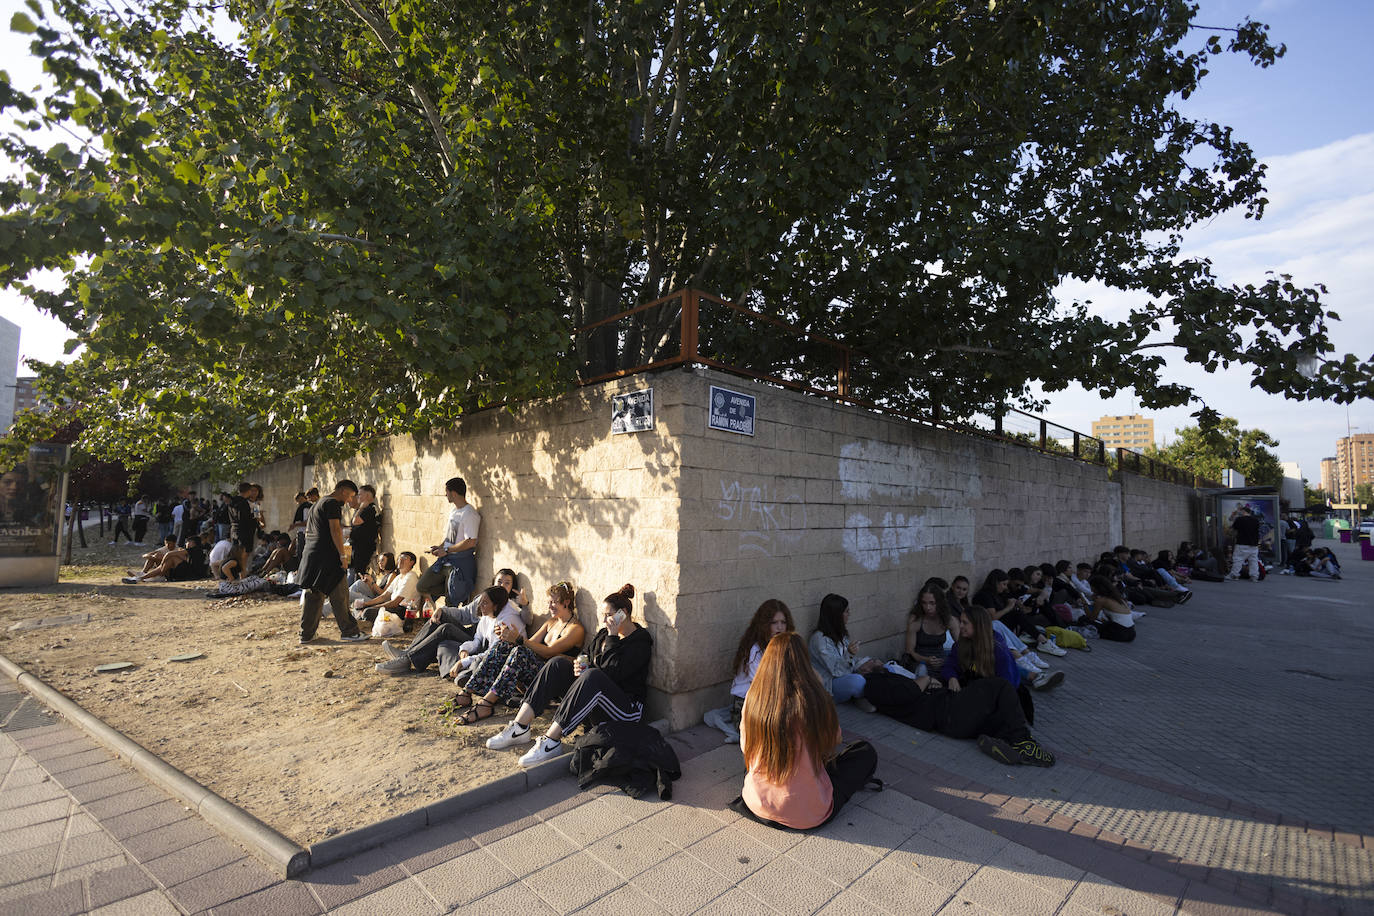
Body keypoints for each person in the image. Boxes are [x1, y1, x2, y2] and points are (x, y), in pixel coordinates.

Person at [730, 632, 878, 830]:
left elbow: (746, 746)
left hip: (757, 802)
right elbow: (833, 741)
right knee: (865, 753)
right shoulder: (816, 700)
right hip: (807, 814)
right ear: (804, 663)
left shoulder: (754, 697)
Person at [516, 584, 652, 767]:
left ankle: (551, 741)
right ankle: (519, 727)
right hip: (597, 702)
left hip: (627, 711)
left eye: (609, 615)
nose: (605, 621)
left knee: (593, 676)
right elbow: (586, 653)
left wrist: (612, 637)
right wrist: (580, 664)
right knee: (557, 664)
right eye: (603, 615)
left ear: (624, 613)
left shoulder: (640, 641)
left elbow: (613, 674)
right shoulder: (604, 634)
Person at [462, 581, 589, 737]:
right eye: (549, 602)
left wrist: (519, 640)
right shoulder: (551, 623)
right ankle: (467, 691)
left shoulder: (576, 629)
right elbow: (530, 644)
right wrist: (508, 636)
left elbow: (549, 652)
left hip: (554, 680)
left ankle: (487, 703)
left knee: (521, 652)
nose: (550, 606)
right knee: (503, 646)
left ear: (567, 602)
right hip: (537, 672)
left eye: (554, 602)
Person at [297, 480, 367, 643]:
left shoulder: (318, 503)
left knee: (314, 594)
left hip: (312, 555)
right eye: (350, 496)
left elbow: (310, 530)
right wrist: (343, 556)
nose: (349, 500)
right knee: (340, 593)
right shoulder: (332, 504)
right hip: (328, 557)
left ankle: (306, 634)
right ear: (343, 491)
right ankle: (349, 632)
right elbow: (335, 529)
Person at [809, 593, 881, 711]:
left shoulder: (840, 634)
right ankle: (860, 698)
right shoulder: (820, 639)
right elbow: (837, 671)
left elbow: (849, 662)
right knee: (857, 681)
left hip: (844, 675)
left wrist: (866, 663)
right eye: (846, 612)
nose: (849, 615)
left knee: (876, 667)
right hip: (829, 686)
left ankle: (860, 695)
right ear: (836, 615)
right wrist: (850, 655)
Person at [417, 477, 481, 610]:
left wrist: (447, 551)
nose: (445, 495)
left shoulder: (470, 514)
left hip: (458, 564)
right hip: (444, 560)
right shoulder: (454, 511)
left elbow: (471, 541)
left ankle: (445, 619)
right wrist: (439, 547)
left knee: (450, 601)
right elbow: (449, 538)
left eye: (446, 491)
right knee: (422, 585)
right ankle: (434, 611)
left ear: (453, 493)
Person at [355, 551, 421, 623]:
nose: (400, 560)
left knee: (367, 612)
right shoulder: (399, 577)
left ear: (412, 562)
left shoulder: (410, 577)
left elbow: (395, 603)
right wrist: (365, 604)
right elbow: (384, 596)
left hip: (403, 611)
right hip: (393, 607)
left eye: (405, 558)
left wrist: (371, 607)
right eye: (399, 557)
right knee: (360, 608)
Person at [902, 585, 952, 676]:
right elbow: (909, 651)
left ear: (940, 603)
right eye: (924, 603)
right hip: (920, 662)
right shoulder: (916, 619)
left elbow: (961, 644)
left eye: (932, 603)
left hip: (942, 662)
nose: (928, 607)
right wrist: (926, 660)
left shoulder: (947, 619)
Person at [1083, 576, 1138, 642]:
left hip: (1120, 632)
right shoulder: (1117, 598)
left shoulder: (1101, 600)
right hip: (1131, 632)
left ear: (1096, 587)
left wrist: (1085, 604)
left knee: (1083, 620)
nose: (1091, 590)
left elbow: (1091, 618)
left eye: (1091, 587)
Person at [348, 485, 381, 584]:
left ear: (367, 495)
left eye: (360, 494)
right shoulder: (364, 509)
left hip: (363, 547)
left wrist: (361, 508)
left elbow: (356, 521)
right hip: (355, 545)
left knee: (359, 571)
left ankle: (356, 594)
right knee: (351, 569)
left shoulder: (369, 509)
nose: (358, 497)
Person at [121, 536, 188, 583]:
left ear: (174, 543)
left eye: (169, 543)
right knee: (154, 556)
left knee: (160, 556)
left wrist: (162, 557)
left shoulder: (179, 549)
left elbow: (180, 561)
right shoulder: (164, 548)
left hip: (168, 571)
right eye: (166, 543)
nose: (167, 545)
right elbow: (145, 555)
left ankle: (143, 577)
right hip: (160, 567)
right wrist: (153, 556)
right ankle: (143, 573)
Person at [227, 482, 259, 566]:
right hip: (244, 531)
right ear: (248, 491)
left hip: (234, 529)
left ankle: (237, 573)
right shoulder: (243, 502)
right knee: (243, 554)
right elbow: (244, 518)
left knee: (237, 553)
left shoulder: (232, 501)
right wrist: (254, 517)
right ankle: (242, 574)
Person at [1226, 505, 1262, 581]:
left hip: (1242, 543)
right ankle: (1254, 576)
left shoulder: (1240, 519)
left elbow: (1233, 529)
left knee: (1238, 560)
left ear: (1243, 512)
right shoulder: (1256, 520)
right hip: (1253, 544)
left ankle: (1234, 575)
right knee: (1253, 561)